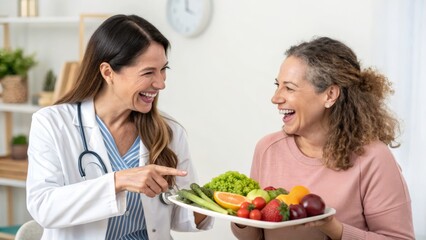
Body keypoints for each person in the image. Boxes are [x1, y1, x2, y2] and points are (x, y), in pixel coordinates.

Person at [26, 14, 213, 240]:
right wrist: (118, 181)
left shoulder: (169, 131)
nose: (161, 83)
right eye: (148, 72)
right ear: (107, 72)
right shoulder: (52, 123)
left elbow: (181, 215)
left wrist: (222, 204)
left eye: (164, 69)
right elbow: (43, 207)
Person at [231, 37, 414, 239]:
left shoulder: (373, 158)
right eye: (278, 85)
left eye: (289, 88)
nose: (275, 98)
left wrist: (335, 229)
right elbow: (255, 235)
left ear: (330, 95)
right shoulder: (267, 149)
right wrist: (240, 218)